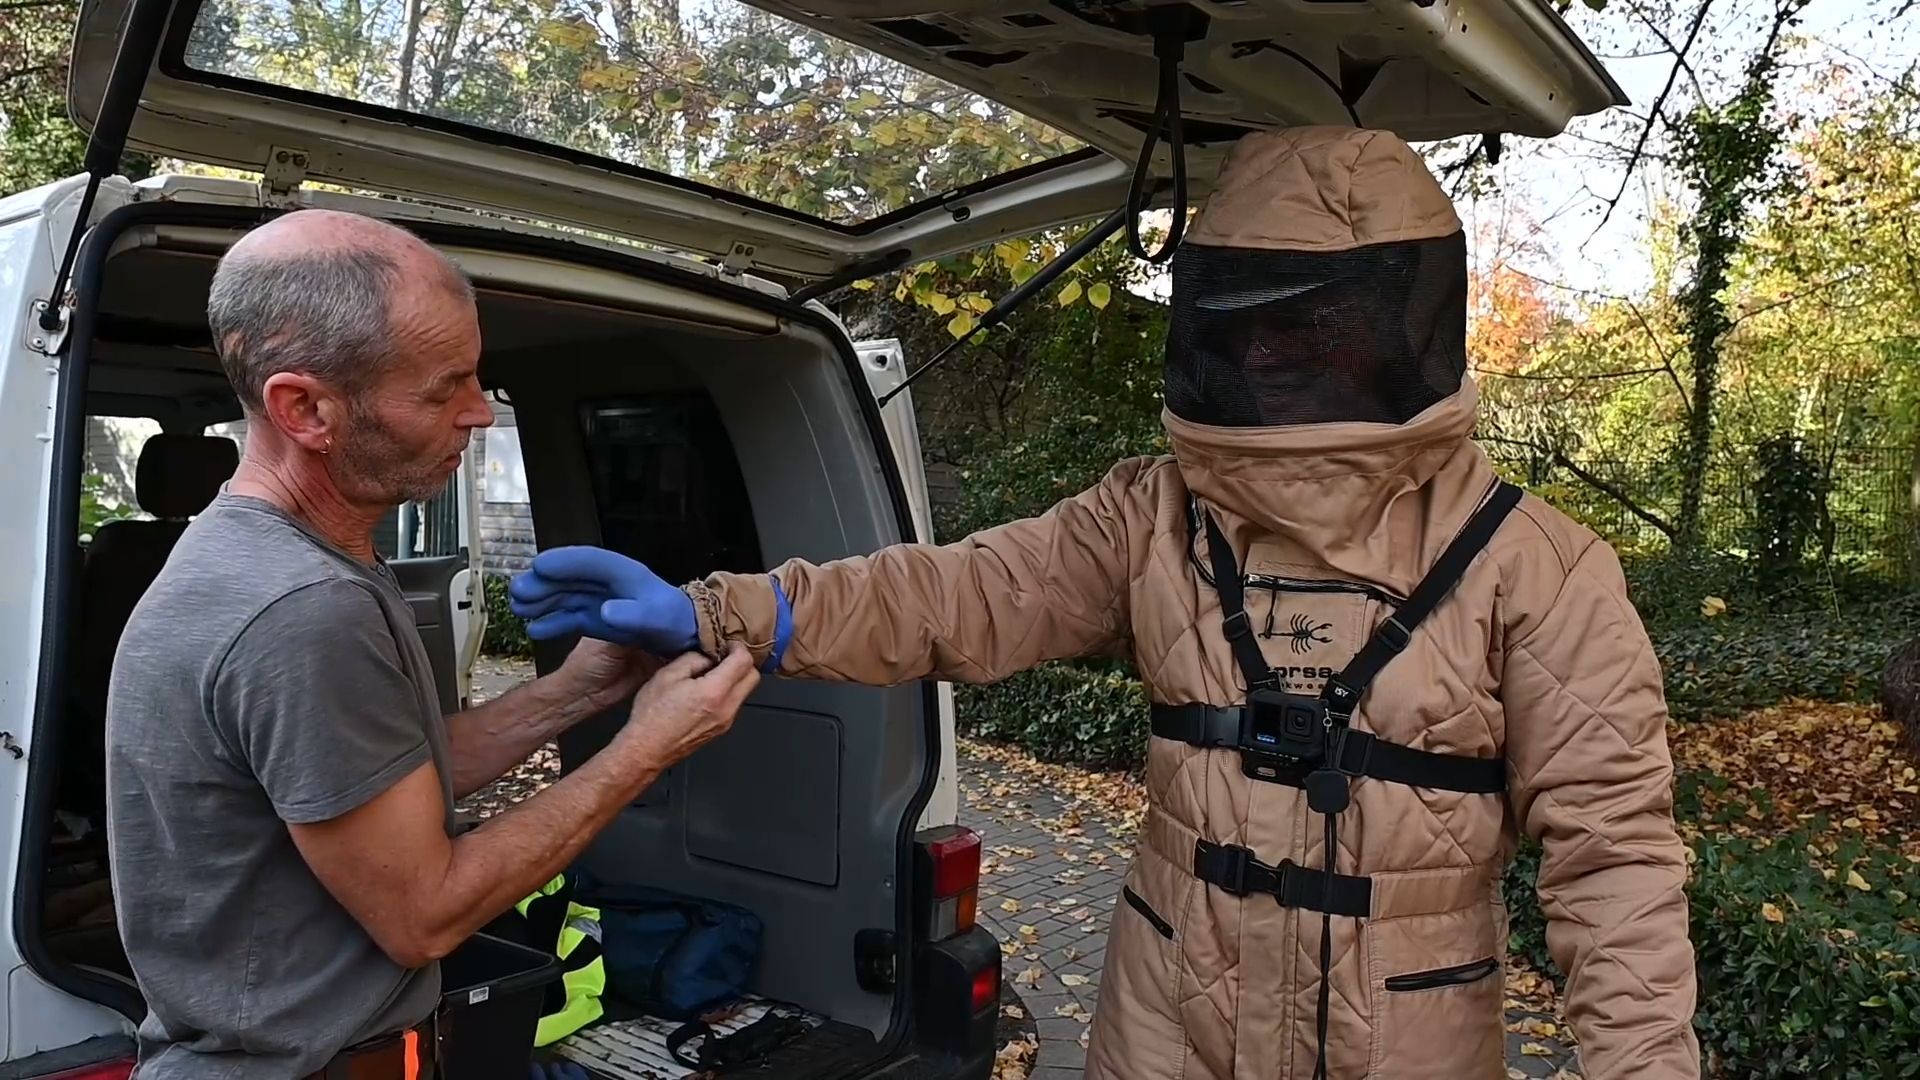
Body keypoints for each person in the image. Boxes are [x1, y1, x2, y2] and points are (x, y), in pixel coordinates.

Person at [508, 127, 1700, 1079]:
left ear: (1394, 327)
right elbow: (964, 594)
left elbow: (1618, 867)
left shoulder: (1539, 568)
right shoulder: (1152, 516)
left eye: (1308, 324)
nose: (1270, 354)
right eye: (1250, 322)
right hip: (1162, 1029)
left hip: (1406, 1045)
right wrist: (727, 612)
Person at [104, 208, 762, 1079]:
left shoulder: (285, 554)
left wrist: (584, 687)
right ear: (305, 408)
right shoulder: (301, 607)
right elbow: (425, 914)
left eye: (477, 376)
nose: (479, 412)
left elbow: (382, 777)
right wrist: (647, 747)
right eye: (443, 388)